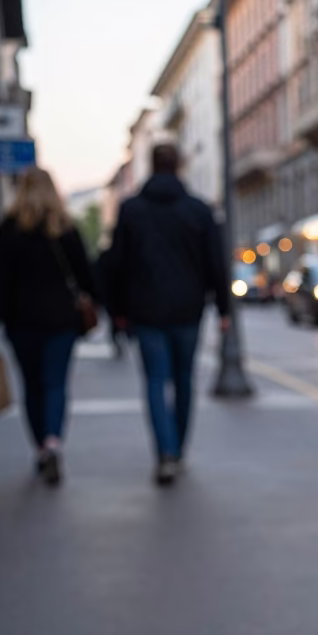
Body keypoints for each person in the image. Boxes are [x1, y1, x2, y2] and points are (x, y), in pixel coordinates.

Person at [107, 144, 231, 486]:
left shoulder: (131, 210)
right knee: (184, 379)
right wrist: (223, 309)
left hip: (145, 310)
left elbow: (116, 264)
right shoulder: (199, 210)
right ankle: (178, 448)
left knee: (154, 381)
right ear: (179, 166)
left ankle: (164, 451)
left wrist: (116, 312)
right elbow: (216, 263)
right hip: (188, 310)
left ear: (150, 165)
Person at [0, 167, 96, 486]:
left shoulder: (8, 228)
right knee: (56, 383)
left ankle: (41, 448)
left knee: (32, 386)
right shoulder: (65, 228)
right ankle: (54, 441)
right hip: (61, 319)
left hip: (21, 321)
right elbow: (86, 276)